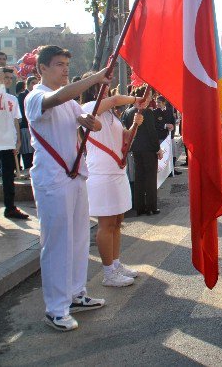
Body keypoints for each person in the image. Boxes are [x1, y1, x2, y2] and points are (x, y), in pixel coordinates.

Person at [25, 45, 110, 332]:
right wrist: (97, 77)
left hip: (74, 177)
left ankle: (76, 294)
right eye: (59, 64)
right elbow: (61, 96)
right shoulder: (36, 97)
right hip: (52, 179)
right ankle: (55, 308)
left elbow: (92, 124)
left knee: (77, 239)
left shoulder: (70, 103)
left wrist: (90, 122)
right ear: (42, 69)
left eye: (66, 64)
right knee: (57, 243)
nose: (64, 69)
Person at [80, 76, 146, 287]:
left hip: (116, 172)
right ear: (93, 89)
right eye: (103, 85)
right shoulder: (90, 107)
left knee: (117, 222)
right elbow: (116, 99)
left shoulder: (111, 114)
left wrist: (134, 126)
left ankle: (116, 264)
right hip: (101, 173)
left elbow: (124, 139)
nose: (107, 89)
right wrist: (136, 99)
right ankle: (108, 273)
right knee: (106, 224)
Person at [0, 68, 29, 226]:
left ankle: (10, 207)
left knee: (9, 175)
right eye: (4, 77)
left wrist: (18, 140)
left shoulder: (12, 99)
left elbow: (16, 120)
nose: (7, 80)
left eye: (10, 77)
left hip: (8, 142)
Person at [122, 88, 162, 216]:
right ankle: (151, 207)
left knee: (139, 178)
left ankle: (139, 206)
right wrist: (158, 149)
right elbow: (152, 133)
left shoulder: (127, 112)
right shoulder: (147, 113)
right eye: (148, 96)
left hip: (135, 149)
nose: (150, 98)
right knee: (150, 178)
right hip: (149, 150)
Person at [18, 76, 38, 172]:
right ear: (28, 84)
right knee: (27, 152)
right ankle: (27, 170)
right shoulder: (22, 96)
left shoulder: (38, 95)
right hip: (25, 127)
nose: (35, 85)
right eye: (33, 83)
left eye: (36, 83)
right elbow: (22, 112)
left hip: (36, 128)